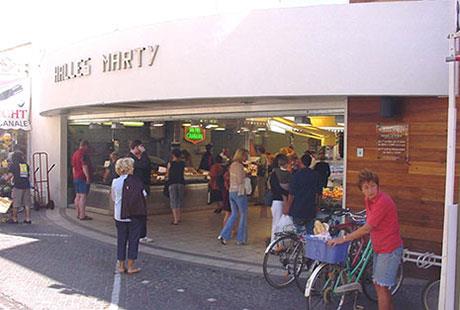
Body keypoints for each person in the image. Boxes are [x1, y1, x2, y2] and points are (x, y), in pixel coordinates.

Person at [328, 169, 403, 310]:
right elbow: (370, 220)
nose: (370, 190)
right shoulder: (369, 200)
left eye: (373, 186)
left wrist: (344, 238)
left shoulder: (383, 201)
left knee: (381, 286)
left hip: (389, 248)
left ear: (378, 186)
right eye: (366, 187)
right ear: (361, 190)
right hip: (379, 247)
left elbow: (368, 228)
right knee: (380, 285)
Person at [111, 157, 145, 274]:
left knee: (121, 239)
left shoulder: (115, 182)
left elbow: (114, 198)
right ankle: (130, 266)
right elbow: (143, 195)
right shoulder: (136, 181)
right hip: (134, 215)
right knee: (133, 240)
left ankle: (121, 265)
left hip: (119, 215)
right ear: (130, 168)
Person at [218, 148, 249, 245]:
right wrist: (245, 176)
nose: (247, 157)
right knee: (243, 215)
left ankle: (224, 234)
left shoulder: (232, 165)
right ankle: (241, 239)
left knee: (234, 214)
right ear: (242, 155)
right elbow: (240, 180)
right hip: (239, 192)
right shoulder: (239, 166)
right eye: (245, 155)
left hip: (231, 192)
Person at [285, 154, 321, 234]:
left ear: (301, 162)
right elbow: (318, 193)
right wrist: (318, 205)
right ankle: (308, 245)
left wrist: (287, 207)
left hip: (297, 208)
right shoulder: (315, 175)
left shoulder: (296, 175)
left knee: (298, 232)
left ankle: (299, 245)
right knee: (310, 232)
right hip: (310, 208)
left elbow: (291, 194)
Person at [128, 140, 152, 243]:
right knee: (138, 211)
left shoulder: (137, 158)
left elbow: (147, 165)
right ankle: (140, 235)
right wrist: (144, 153)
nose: (142, 149)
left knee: (141, 211)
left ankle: (140, 234)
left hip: (142, 186)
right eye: (140, 147)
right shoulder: (130, 159)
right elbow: (144, 165)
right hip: (136, 188)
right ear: (136, 147)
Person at [269, 154, 291, 242]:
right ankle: (278, 244)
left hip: (277, 200)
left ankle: (274, 244)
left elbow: (275, 188)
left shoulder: (274, 174)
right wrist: (286, 195)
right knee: (283, 225)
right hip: (285, 200)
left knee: (276, 223)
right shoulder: (289, 174)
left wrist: (283, 194)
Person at [6, 151, 32, 224]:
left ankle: (14, 219)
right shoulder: (25, 165)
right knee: (27, 203)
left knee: (16, 203)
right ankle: (28, 219)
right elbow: (26, 175)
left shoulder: (14, 165)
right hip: (26, 186)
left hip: (18, 186)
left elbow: (10, 175)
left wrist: (4, 179)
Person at [71, 140, 93, 220]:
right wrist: (87, 177)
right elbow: (84, 166)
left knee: (77, 196)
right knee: (83, 196)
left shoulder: (75, 154)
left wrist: (74, 177)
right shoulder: (83, 154)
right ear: (85, 146)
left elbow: (73, 167)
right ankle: (82, 215)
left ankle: (78, 213)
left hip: (76, 177)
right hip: (82, 177)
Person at [167, 149, 185, 225]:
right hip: (181, 183)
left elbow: (168, 174)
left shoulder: (170, 163)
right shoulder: (182, 163)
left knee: (173, 201)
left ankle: (175, 220)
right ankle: (179, 217)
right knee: (179, 200)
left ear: (173, 155)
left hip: (172, 183)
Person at [256, 146, 269, 212]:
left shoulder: (262, 157)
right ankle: (261, 200)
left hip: (262, 175)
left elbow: (262, 164)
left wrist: (257, 163)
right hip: (263, 174)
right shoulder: (264, 156)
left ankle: (261, 200)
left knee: (261, 188)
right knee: (262, 187)